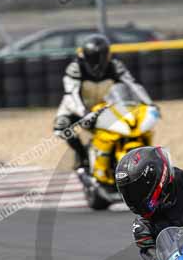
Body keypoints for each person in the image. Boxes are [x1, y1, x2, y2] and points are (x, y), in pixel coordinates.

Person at [53, 33, 153, 168]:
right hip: (77, 108)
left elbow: (132, 84)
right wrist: (84, 113)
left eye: (104, 55)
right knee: (61, 127)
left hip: (105, 106)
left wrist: (148, 103)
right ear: (87, 56)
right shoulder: (76, 68)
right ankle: (82, 156)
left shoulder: (115, 66)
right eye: (96, 57)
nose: (100, 60)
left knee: (130, 126)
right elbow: (71, 94)